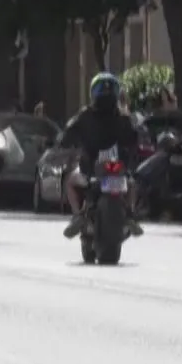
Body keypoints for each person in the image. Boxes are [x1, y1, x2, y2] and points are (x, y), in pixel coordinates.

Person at [61, 72, 146, 239]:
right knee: (132, 184)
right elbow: (135, 138)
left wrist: (63, 142)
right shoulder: (123, 117)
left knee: (70, 181)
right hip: (116, 167)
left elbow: (68, 133)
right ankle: (129, 214)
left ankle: (78, 215)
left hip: (91, 169)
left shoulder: (85, 115)